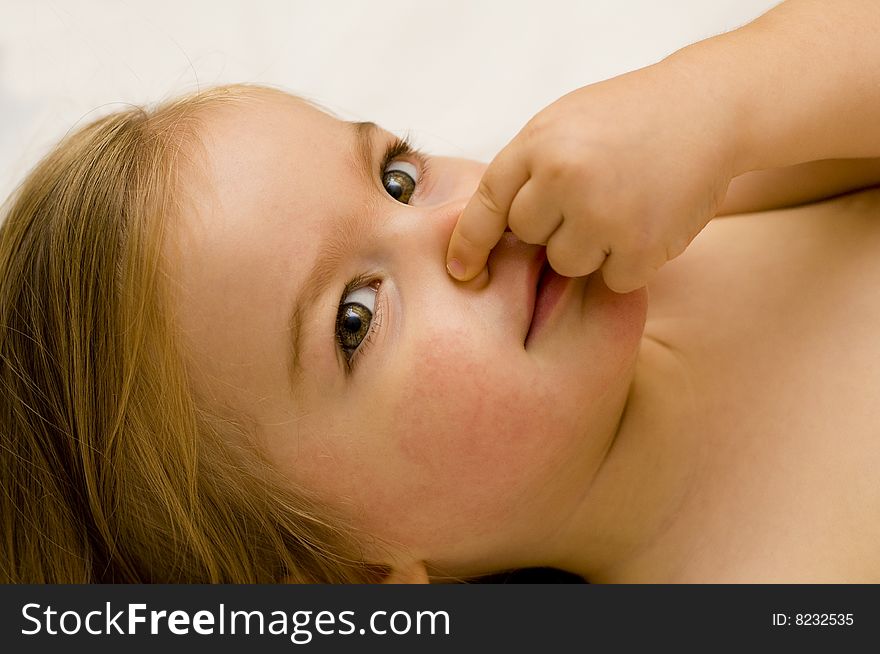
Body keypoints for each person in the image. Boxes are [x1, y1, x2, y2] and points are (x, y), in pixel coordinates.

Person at [2, 0, 878, 584]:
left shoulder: (690, 220)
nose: (458, 222)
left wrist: (721, 98)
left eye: (395, 177)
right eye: (356, 318)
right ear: (353, 577)